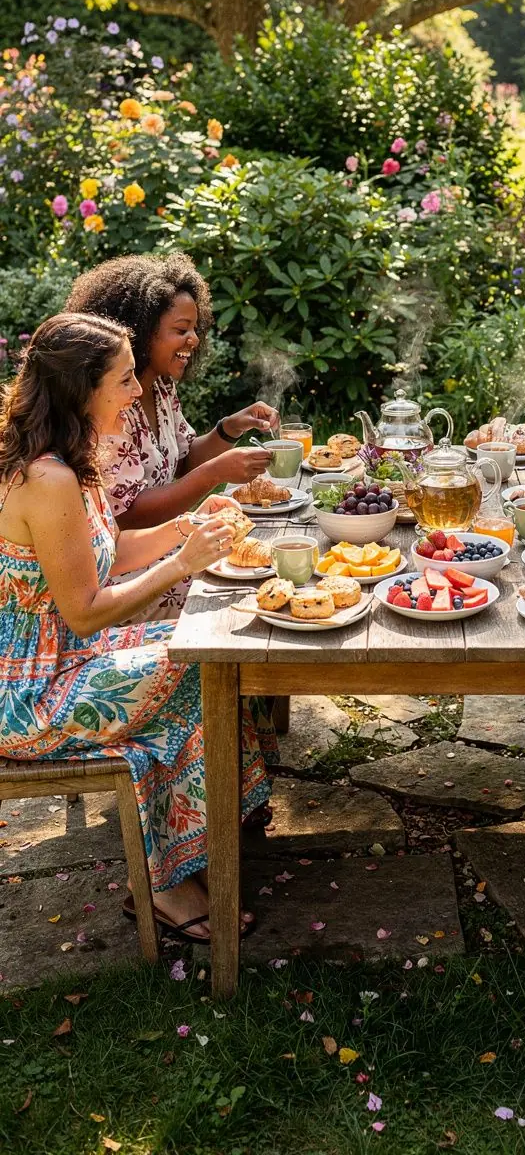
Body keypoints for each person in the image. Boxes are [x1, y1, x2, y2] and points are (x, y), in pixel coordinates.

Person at [0, 313, 272, 942]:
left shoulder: (70, 458)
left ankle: (201, 846)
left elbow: (107, 550)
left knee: (218, 642)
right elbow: (85, 610)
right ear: (82, 388)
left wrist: (184, 527)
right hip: (29, 691)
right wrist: (182, 563)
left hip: (70, 657)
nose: (136, 390)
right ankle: (170, 881)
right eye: (124, 380)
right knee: (201, 668)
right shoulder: (46, 478)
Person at [65, 253, 279, 617]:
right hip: (128, 574)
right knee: (241, 590)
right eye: (181, 330)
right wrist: (214, 474)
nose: (194, 339)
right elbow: (129, 516)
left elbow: (182, 460)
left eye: (195, 328)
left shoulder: (160, 386)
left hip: (165, 546)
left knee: (265, 558)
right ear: (141, 330)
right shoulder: (108, 408)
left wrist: (229, 428)